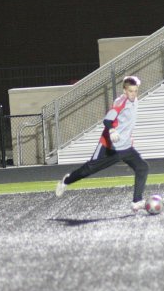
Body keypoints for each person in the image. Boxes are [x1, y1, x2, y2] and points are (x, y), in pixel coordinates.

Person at [55, 75, 149, 211]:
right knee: (89, 169)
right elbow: (107, 120)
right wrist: (111, 130)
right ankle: (66, 181)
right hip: (110, 146)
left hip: (126, 147)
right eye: (130, 91)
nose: (133, 94)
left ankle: (137, 201)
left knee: (142, 167)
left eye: (135, 91)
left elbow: (133, 81)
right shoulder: (120, 102)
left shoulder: (135, 100)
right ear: (124, 91)